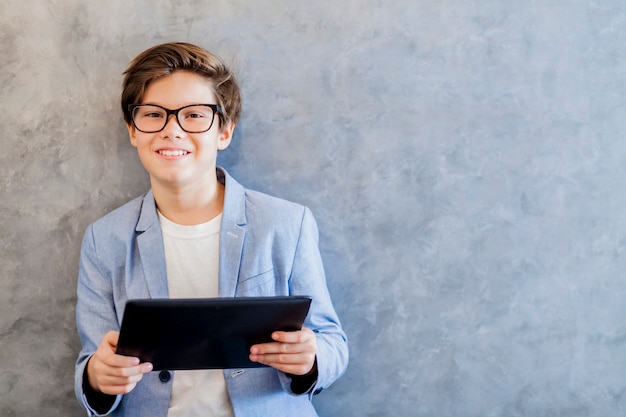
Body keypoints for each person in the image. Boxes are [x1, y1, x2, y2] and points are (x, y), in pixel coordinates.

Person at [74, 42, 348, 417]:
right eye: (153, 114)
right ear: (132, 130)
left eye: (195, 115)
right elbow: (92, 362)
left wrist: (311, 356)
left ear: (225, 131)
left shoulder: (286, 223)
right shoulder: (104, 239)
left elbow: (333, 342)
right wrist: (96, 376)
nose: (172, 130)